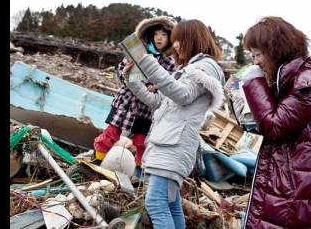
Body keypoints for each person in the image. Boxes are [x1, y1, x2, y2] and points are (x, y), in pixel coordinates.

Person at [240, 16, 311, 228]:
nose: (255, 62)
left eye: (258, 55)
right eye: (252, 56)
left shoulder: (310, 83)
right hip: (291, 186)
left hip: (302, 190)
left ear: (276, 50)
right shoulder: (290, 81)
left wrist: (254, 83)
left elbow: (274, 127)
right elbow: (267, 123)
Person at [122, 19, 225, 229]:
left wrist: (147, 62)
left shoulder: (205, 67)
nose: (175, 45)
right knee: (171, 205)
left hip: (174, 146)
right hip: (167, 143)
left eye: (179, 40)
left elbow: (184, 95)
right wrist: (132, 81)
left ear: (193, 39)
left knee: (156, 203)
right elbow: (158, 102)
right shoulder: (187, 69)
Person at [93, 16, 177, 173]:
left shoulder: (170, 62)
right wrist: (126, 74)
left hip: (146, 108)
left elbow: (169, 84)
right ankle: (98, 161)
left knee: (141, 141)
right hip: (126, 102)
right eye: (156, 34)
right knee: (111, 133)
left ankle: (138, 171)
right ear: (150, 35)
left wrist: (156, 87)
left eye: (164, 35)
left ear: (170, 39)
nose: (159, 38)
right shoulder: (138, 52)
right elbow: (121, 72)